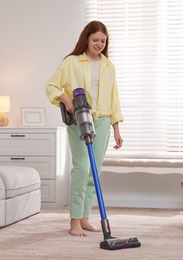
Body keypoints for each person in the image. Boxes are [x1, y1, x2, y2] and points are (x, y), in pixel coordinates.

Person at [45, 21, 123, 237]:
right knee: (81, 169)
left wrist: (116, 128)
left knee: (94, 173)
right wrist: (65, 99)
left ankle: (85, 218)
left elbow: (114, 98)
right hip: (80, 118)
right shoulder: (71, 62)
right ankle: (74, 221)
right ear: (86, 39)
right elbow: (51, 86)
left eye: (103, 41)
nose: (99, 44)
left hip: (103, 121)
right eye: (95, 40)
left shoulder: (108, 66)